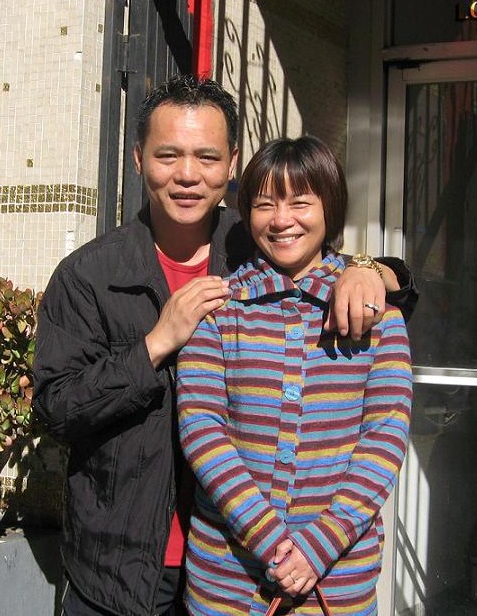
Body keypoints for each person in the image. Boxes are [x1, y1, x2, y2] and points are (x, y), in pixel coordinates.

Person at [33, 74, 417, 616]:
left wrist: (370, 269)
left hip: (236, 564)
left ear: (231, 163)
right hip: (125, 562)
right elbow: (56, 408)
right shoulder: (90, 275)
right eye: (168, 155)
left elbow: (326, 260)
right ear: (139, 158)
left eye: (207, 157)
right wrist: (155, 345)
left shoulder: (256, 238)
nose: (188, 174)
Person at [176, 136, 413, 615]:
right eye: (264, 204)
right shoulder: (219, 310)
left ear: (330, 207)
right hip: (226, 581)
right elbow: (201, 426)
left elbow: (385, 436)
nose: (282, 220)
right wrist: (271, 541)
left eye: (300, 202)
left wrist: (320, 544)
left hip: (337, 583)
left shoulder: (377, 313)